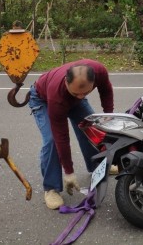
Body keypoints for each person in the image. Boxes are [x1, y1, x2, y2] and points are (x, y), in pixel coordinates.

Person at [28, 59, 114, 209]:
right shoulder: (57, 95)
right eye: (76, 93)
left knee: (91, 128)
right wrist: (69, 171)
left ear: (93, 81)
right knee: (52, 140)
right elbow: (61, 136)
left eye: (85, 92)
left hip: (69, 99)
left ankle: (96, 165)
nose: (81, 96)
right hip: (43, 100)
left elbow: (106, 90)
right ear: (67, 82)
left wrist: (108, 115)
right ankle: (51, 188)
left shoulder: (99, 71)